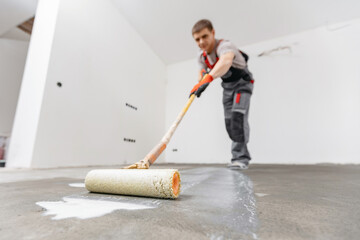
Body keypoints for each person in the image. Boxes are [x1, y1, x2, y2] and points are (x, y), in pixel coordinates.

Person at [190, 19, 254, 169]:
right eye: (197, 39)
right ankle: (238, 155)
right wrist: (199, 85)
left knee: (237, 118)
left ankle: (240, 158)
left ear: (213, 33)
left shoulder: (225, 46)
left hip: (242, 85)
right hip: (227, 88)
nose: (201, 42)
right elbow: (202, 74)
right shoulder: (202, 56)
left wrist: (209, 78)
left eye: (204, 36)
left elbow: (225, 62)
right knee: (229, 121)